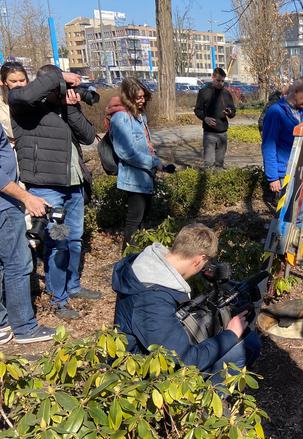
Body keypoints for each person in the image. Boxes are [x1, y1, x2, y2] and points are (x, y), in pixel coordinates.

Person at [112, 223, 261, 382]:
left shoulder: (147, 267)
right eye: (205, 263)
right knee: (248, 345)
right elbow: (186, 360)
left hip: (146, 349)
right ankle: (209, 401)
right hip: (140, 376)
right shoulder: (152, 301)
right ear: (199, 259)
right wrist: (231, 334)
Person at [9, 64, 100, 320]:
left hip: (74, 186)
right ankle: (58, 298)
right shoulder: (23, 104)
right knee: (58, 242)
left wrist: (71, 106)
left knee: (74, 238)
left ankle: (72, 286)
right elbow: (26, 94)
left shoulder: (64, 106)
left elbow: (89, 136)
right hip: (49, 189)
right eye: (59, 83)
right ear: (47, 82)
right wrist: (59, 77)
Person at [0, 124, 56, 344]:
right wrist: (25, 197)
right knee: (18, 264)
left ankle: (2, 325)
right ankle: (24, 327)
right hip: (4, 205)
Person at [105, 77, 174, 249]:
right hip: (133, 178)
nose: (142, 100)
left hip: (146, 176)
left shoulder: (140, 115)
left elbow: (147, 145)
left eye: (143, 96)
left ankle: (140, 255)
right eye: (138, 98)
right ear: (128, 97)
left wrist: (158, 163)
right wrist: (151, 163)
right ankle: (128, 257)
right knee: (134, 221)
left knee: (143, 221)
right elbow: (125, 152)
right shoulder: (120, 118)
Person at [261, 76, 303, 198]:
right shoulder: (276, 112)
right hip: (285, 173)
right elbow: (268, 146)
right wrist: (273, 177)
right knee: (286, 214)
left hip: (301, 171)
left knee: (300, 214)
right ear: (296, 91)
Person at [194, 67, 236, 169]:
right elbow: (197, 110)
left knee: (219, 163)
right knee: (208, 163)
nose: (221, 83)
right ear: (213, 77)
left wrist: (230, 112)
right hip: (209, 133)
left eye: (223, 81)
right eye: (218, 80)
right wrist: (205, 118)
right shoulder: (204, 92)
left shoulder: (226, 93)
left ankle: (218, 181)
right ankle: (208, 182)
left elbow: (233, 111)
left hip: (223, 133)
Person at [0, 61, 29, 139]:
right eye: (14, 81)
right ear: (5, 82)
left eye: (22, 80)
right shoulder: (1, 104)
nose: (19, 84)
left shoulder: (37, 99)